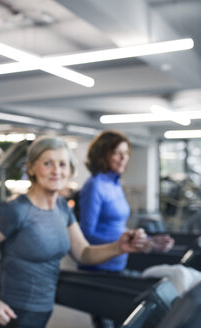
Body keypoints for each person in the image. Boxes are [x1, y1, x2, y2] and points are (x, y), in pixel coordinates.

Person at [0, 136, 150, 328]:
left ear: (70, 171)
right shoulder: (16, 211)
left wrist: (119, 247)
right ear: (32, 168)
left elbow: (84, 253)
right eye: (47, 163)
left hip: (44, 309)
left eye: (62, 164)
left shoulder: (62, 208)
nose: (56, 171)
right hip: (12, 313)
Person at [78, 130, 173, 328]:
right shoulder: (94, 186)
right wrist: (123, 240)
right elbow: (85, 236)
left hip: (118, 264)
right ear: (103, 155)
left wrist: (145, 240)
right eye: (117, 153)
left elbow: (117, 226)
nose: (124, 158)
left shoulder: (115, 183)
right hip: (99, 268)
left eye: (126, 152)